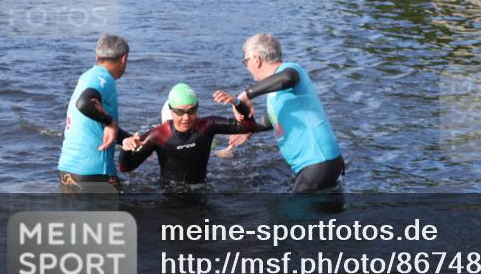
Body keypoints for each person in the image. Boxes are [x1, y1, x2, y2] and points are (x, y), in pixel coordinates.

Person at [214, 33, 345, 192]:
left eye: (245, 61)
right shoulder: (275, 91)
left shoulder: (290, 70)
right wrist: (249, 129)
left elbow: (289, 77)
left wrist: (246, 94)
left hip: (318, 163)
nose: (246, 67)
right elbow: (273, 120)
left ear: (257, 60)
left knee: (293, 215)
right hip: (320, 165)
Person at [119, 83, 269, 189]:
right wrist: (125, 147)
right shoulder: (158, 135)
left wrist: (237, 103)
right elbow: (126, 167)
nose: (186, 118)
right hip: (169, 193)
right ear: (170, 111)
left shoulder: (207, 125)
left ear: (197, 109)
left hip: (200, 189)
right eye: (179, 112)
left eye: (191, 111)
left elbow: (249, 127)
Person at [58, 34, 131, 191]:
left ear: (97, 56)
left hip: (67, 171)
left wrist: (129, 140)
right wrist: (111, 123)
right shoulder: (104, 78)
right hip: (95, 173)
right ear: (124, 59)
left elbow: (97, 123)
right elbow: (84, 103)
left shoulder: (86, 76)